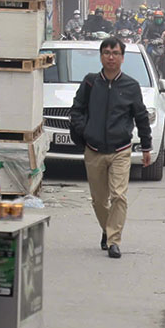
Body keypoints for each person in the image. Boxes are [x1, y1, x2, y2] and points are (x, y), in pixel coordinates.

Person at [69, 38, 153, 259]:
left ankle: (114, 240)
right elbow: (76, 110)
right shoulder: (89, 83)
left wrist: (146, 147)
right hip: (94, 149)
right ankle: (107, 228)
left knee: (119, 196)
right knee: (99, 200)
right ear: (101, 56)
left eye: (115, 53)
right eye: (106, 52)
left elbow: (141, 117)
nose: (111, 57)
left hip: (120, 149)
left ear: (122, 58)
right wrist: (86, 130)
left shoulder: (131, 86)